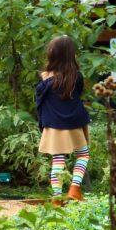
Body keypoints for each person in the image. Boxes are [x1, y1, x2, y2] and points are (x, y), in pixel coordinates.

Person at [36, 36, 90, 202]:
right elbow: (78, 95)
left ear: (51, 55)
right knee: (83, 155)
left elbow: (40, 101)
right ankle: (74, 189)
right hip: (74, 123)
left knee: (58, 159)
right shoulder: (76, 77)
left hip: (54, 124)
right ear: (71, 55)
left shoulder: (44, 77)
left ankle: (57, 197)